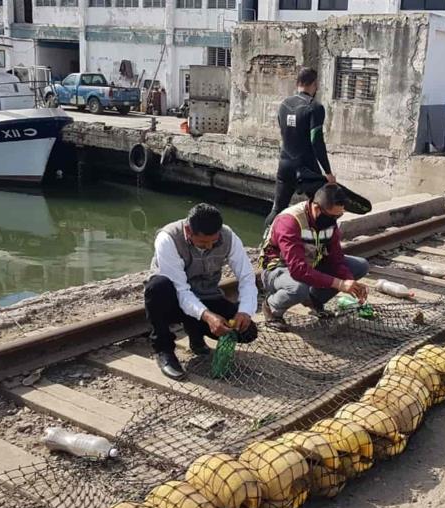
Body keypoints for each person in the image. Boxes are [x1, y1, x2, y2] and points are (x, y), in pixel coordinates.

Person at [144, 204, 259, 380]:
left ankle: (195, 332)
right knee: (157, 287)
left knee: (247, 331)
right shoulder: (168, 239)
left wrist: (245, 311)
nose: (210, 246)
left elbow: (247, 277)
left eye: (214, 241)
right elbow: (181, 290)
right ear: (189, 231)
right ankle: (164, 351)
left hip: (207, 296)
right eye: (204, 242)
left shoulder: (228, 236)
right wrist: (209, 317)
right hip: (173, 299)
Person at [259, 184, 369, 332]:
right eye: (333, 216)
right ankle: (272, 307)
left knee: (360, 265)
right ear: (317, 208)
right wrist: (339, 284)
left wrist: (349, 281)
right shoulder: (290, 221)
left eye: (339, 215)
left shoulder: (329, 223)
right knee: (298, 288)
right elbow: (298, 270)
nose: (335, 220)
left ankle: (314, 300)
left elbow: (336, 258)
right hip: (278, 270)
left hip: (310, 264)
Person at [266, 67, 335, 229]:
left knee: (278, 209)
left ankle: (267, 241)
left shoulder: (284, 104)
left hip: (285, 165)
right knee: (323, 208)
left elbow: (285, 132)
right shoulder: (315, 107)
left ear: (297, 83)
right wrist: (328, 172)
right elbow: (316, 141)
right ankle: (325, 247)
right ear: (314, 84)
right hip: (306, 168)